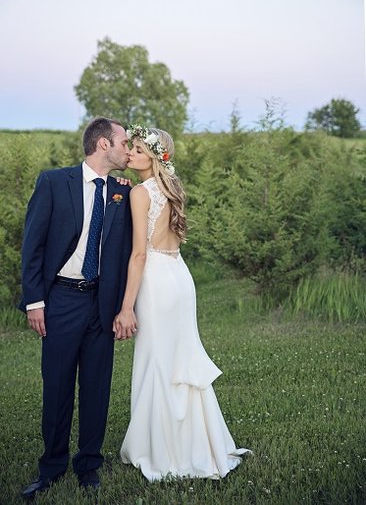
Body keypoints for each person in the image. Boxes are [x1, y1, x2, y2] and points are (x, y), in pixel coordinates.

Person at [113, 125, 251, 481]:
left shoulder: (141, 193)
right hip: (180, 276)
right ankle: (196, 442)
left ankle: (162, 449)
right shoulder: (171, 188)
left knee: (158, 361)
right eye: (131, 148)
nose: (130, 153)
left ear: (156, 157)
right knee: (180, 359)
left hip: (157, 280)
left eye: (138, 150)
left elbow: (139, 255)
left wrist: (126, 307)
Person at [20, 117, 132, 500]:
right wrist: (35, 301)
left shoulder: (123, 190)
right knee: (57, 386)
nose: (127, 149)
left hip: (102, 302)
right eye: (123, 142)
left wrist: (124, 307)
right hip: (61, 301)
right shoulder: (54, 182)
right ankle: (51, 466)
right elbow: (32, 247)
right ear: (103, 144)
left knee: (97, 388)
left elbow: (130, 252)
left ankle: (89, 466)